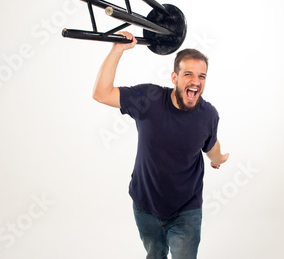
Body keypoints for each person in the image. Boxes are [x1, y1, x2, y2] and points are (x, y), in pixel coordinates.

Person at [92, 31, 229, 259]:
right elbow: (101, 93)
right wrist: (117, 50)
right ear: (174, 78)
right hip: (145, 204)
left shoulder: (209, 114)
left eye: (202, 76)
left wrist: (218, 159)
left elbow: (211, 143)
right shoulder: (149, 98)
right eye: (188, 74)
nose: (195, 81)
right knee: (155, 255)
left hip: (186, 208)